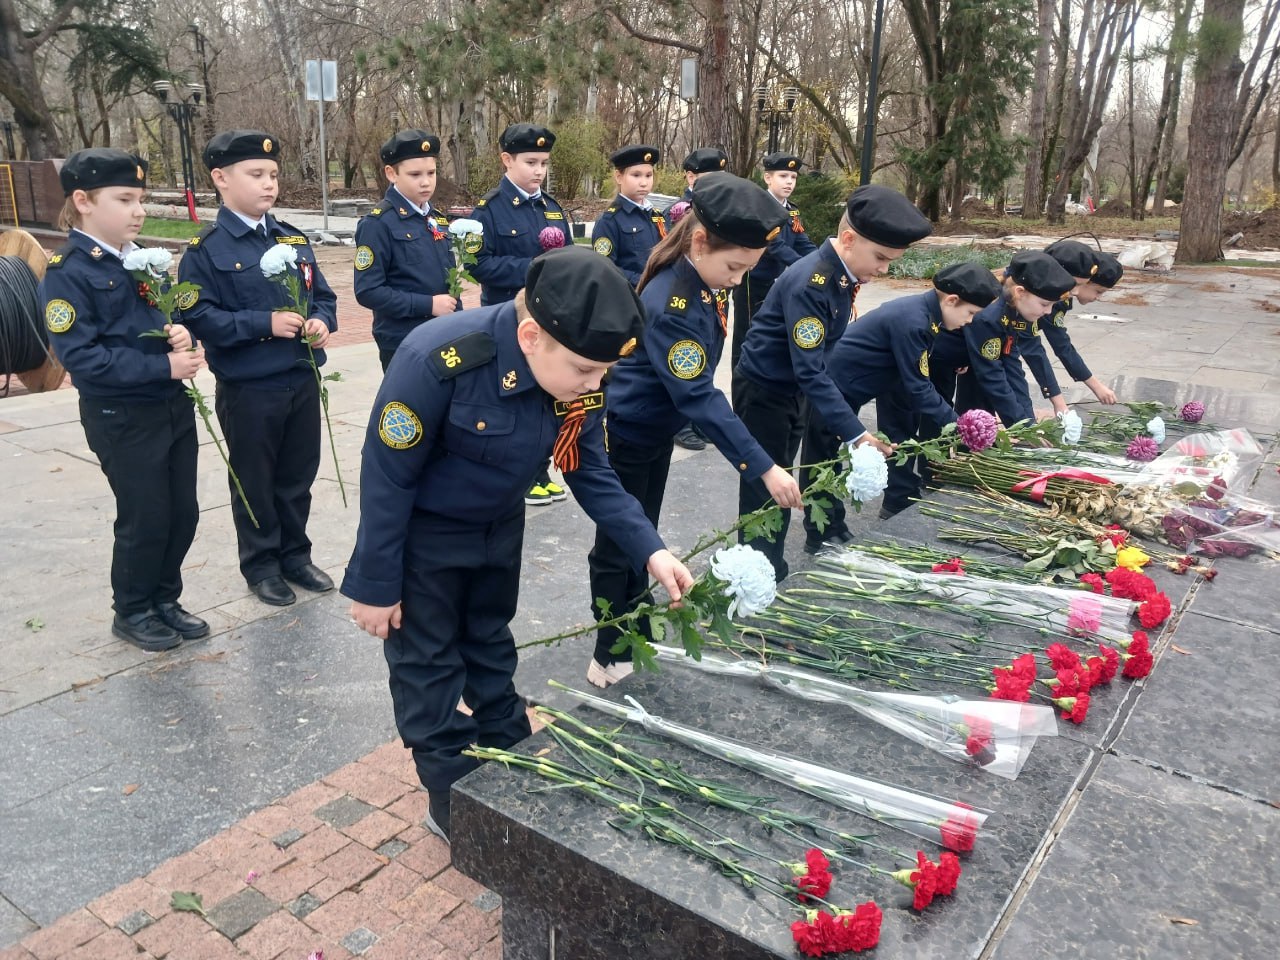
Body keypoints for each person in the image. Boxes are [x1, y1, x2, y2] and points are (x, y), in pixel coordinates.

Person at [342, 247, 695, 840]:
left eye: (602, 372)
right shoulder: (438, 358)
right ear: (530, 337)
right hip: (423, 543)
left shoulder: (578, 366)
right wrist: (376, 585)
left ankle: (510, 751)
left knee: (489, 645)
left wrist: (650, 548)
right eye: (586, 371)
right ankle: (451, 798)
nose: (595, 383)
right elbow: (387, 476)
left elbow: (587, 464)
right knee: (426, 670)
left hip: (498, 532)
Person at [586, 173, 802, 688]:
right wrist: (763, 465)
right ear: (700, 241)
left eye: (747, 270)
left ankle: (633, 626)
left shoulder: (697, 284)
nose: (737, 279)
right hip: (631, 435)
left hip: (652, 432)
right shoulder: (673, 301)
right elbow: (699, 395)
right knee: (621, 544)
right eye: (733, 267)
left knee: (642, 539)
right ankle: (608, 651)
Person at [39, 148, 207, 650]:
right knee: (145, 513)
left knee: (183, 511)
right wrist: (163, 365)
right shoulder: (68, 271)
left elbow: (151, 324)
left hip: (169, 405)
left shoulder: (139, 264)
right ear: (83, 201)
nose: (138, 210)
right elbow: (82, 359)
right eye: (125, 199)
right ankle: (132, 609)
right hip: (122, 415)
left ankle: (164, 598)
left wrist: (178, 336)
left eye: (141, 200)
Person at [735, 185, 932, 579]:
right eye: (880, 257)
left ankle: (767, 568)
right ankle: (759, 577)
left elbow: (820, 361)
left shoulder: (837, 278)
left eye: (891, 260)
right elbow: (810, 369)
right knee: (767, 491)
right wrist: (857, 435)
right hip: (767, 393)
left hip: (790, 391)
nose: (884, 269)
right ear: (848, 239)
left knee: (782, 485)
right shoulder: (815, 282)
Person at [178, 129, 339, 607]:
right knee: (255, 479)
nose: (269, 184)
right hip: (250, 386)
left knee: (297, 475)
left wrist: (321, 322)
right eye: (256, 174)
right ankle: (262, 564)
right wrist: (262, 323)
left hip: (301, 375)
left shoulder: (292, 237)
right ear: (221, 179)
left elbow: (324, 296)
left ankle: (296, 555)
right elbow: (196, 315)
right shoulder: (205, 250)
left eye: (272, 174)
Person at [827, 263, 1002, 517]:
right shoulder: (915, 321)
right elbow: (919, 387)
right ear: (952, 301)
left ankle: (849, 520)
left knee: (841, 453)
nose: (970, 321)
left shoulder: (926, 315)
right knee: (825, 459)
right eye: (970, 313)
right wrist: (961, 425)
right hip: (835, 388)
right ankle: (823, 532)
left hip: (864, 385)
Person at [469, 122, 573, 505]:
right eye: (530, 162)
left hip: (547, 318)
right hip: (506, 317)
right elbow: (477, 264)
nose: (538, 172)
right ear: (507, 160)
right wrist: (532, 268)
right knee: (511, 394)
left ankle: (538, 467)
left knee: (544, 393)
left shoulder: (551, 208)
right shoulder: (490, 210)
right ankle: (517, 472)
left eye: (544, 163)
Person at [353, 129, 458, 372]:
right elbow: (368, 291)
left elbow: (450, 284)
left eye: (431, 173)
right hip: (404, 340)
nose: (426, 181)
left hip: (443, 334)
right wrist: (428, 305)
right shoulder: (378, 224)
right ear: (391, 173)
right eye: (415, 174)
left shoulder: (437, 220)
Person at [936, 250, 1076, 427]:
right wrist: (1020, 426)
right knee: (937, 423)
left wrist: (1027, 422)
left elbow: (1012, 366)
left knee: (974, 418)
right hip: (938, 362)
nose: (1048, 312)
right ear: (1020, 292)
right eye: (1044, 304)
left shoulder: (1012, 310)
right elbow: (992, 376)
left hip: (970, 360)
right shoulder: (990, 316)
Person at [730, 152, 817, 393]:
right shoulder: (757, 206)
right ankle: (741, 391)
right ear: (767, 178)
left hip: (781, 284)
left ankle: (763, 389)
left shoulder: (792, 211)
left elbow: (802, 242)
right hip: (754, 283)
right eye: (783, 176)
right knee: (747, 338)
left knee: (772, 337)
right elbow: (775, 246)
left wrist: (823, 262)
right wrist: (804, 268)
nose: (789, 182)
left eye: (793, 177)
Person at [1016, 240, 1120, 409]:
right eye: (1098, 291)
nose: (1076, 291)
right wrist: (1059, 402)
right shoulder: (1034, 298)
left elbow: (1057, 344)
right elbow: (1037, 348)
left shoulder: (1054, 299)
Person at [670, 146, 728, 452]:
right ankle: (680, 424)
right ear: (691, 177)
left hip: (716, 299)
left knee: (710, 358)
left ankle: (698, 419)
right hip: (686, 296)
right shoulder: (681, 212)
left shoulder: (722, 209)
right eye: (709, 177)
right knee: (686, 361)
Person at [591, 144, 665, 286]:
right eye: (636, 175)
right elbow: (605, 268)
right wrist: (642, 280)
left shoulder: (656, 215)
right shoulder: (609, 221)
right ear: (619, 177)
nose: (644, 183)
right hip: (630, 297)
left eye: (648, 175)